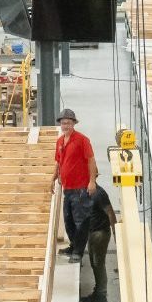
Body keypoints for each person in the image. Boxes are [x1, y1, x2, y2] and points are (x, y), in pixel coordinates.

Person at [52, 108, 96, 262]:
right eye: (63, 123)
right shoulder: (60, 141)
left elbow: (91, 160)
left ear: (74, 124)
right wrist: (53, 178)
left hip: (80, 188)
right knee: (68, 220)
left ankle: (78, 251)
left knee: (80, 221)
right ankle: (73, 245)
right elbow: (59, 162)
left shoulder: (82, 140)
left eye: (69, 123)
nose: (66, 126)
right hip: (68, 188)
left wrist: (91, 181)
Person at [76, 182, 115, 302]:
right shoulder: (85, 191)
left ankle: (101, 296)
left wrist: (115, 233)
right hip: (92, 233)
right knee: (94, 263)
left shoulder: (99, 193)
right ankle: (98, 293)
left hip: (100, 233)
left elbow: (110, 212)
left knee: (98, 264)